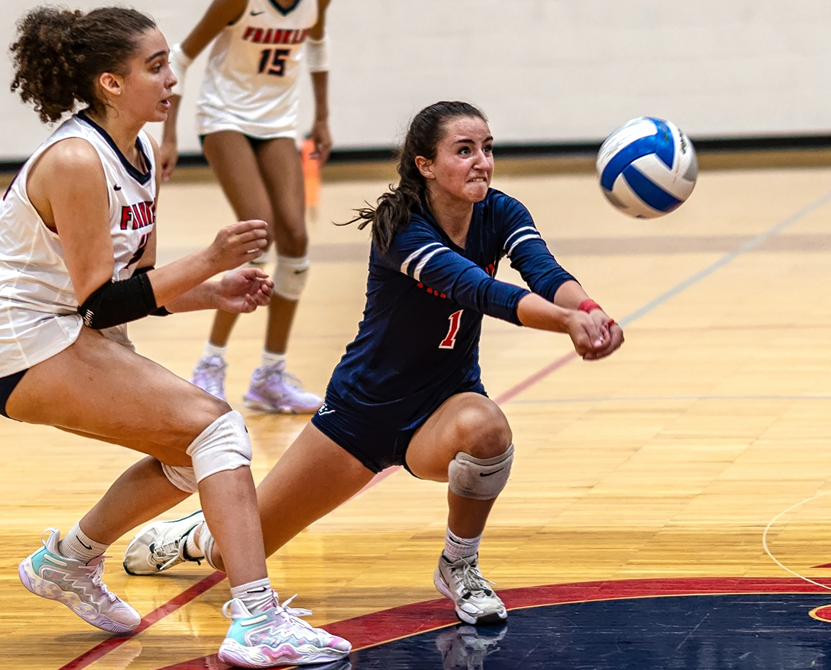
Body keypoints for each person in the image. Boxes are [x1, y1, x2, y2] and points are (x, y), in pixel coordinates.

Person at [122, 101, 626, 626]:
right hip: (361, 417)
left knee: (487, 430)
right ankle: (198, 535)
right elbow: (477, 290)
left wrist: (589, 311)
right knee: (232, 557)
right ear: (425, 165)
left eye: (487, 148)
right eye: (464, 150)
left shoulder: (502, 213)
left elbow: (544, 272)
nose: (482, 161)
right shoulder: (402, 230)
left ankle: (460, 565)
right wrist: (566, 324)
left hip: (441, 407)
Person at [0, 7, 349, 667]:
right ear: (111, 84)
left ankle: (66, 563)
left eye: (170, 63)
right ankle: (255, 621)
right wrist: (210, 260)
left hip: (62, 326)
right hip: (16, 338)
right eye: (156, 66)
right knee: (216, 429)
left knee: (188, 450)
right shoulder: (79, 158)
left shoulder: (137, 152)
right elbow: (100, 298)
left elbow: (135, 282)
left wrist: (208, 294)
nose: (173, 78)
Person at [161, 0, 332, 413]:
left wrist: (322, 117)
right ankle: (210, 362)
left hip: (276, 123)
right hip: (224, 118)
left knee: (296, 238)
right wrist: (169, 135)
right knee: (260, 231)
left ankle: (271, 376)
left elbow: (317, 45)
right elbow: (179, 59)